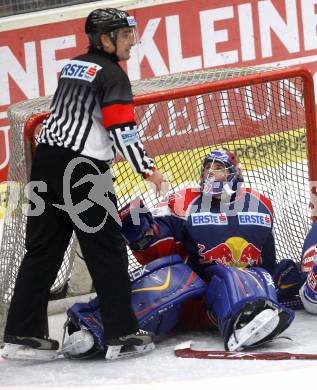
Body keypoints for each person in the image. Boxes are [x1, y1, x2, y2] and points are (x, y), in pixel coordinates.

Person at [2, 8, 168, 361]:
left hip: (46, 163)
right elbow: (121, 130)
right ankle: (122, 334)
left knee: (42, 251)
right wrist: (149, 170)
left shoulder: (73, 66)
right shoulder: (113, 76)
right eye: (124, 37)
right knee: (107, 251)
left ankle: (21, 335)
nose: (131, 44)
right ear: (104, 39)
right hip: (82, 172)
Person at [61, 149, 297, 358]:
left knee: (244, 273)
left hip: (239, 290)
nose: (211, 174)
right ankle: (92, 328)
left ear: (235, 173)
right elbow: (160, 251)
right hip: (189, 297)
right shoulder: (184, 201)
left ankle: (249, 316)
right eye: (207, 168)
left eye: (219, 168)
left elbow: (268, 258)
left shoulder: (260, 203)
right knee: (167, 276)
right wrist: (142, 234)